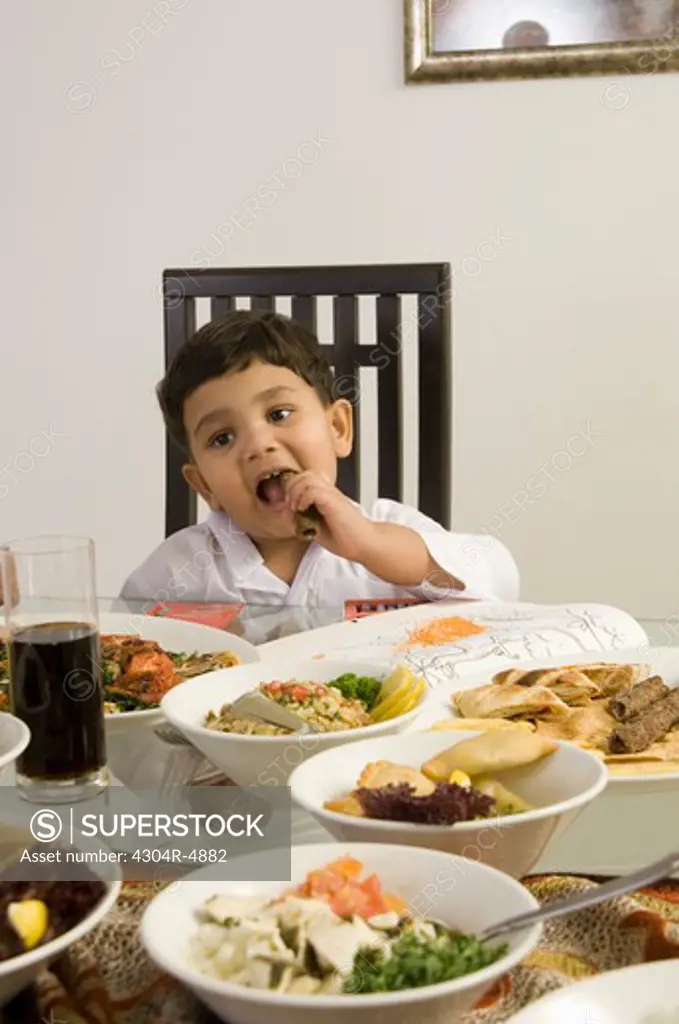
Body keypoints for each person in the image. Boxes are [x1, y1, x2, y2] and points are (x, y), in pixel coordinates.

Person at [119, 311, 519, 609]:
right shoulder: (179, 573)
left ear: (338, 428)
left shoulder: (387, 529)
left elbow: (499, 581)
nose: (259, 444)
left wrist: (370, 544)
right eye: (222, 437)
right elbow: (119, 654)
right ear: (205, 486)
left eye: (279, 414)